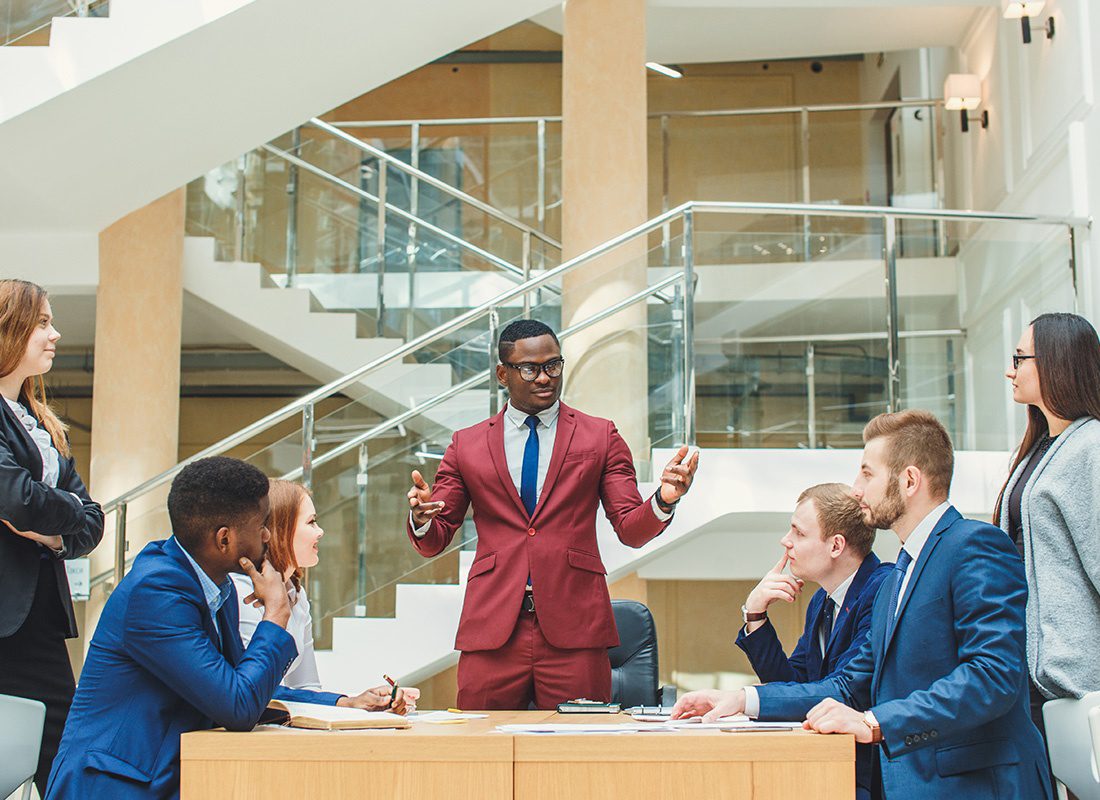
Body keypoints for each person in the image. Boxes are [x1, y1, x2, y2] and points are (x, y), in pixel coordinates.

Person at [672, 410, 1050, 800]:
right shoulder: (897, 577)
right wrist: (743, 699)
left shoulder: (974, 545)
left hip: (979, 787)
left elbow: (992, 676)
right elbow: (849, 686)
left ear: (909, 481)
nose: (855, 489)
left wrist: (875, 722)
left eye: (867, 473)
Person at [45, 457, 409, 800]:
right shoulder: (156, 592)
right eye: (262, 525)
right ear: (224, 539)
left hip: (165, 775)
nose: (269, 536)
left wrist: (344, 703)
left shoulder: (213, 585)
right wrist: (276, 614)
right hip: (114, 786)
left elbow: (243, 685)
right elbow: (237, 705)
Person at [406, 319, 699, 709]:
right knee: (481, 748)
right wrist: (423, 519)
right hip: (493, 627)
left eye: (553, 366)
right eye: (529, 369)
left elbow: (630, 527)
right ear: (502, 374)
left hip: (575, 629)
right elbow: (437, 536)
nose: (544, 378)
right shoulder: (467, 444)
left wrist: (663, 500)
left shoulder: (600, 435)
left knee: (578, 751)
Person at [0, 279, 104, 796]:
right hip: (6, 616)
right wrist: (56, 511)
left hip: (37, 615)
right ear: (8, 329)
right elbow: (16, 499)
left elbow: (93, 521)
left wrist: (50, 534)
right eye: (42, 322)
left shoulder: (42, 423)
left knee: (62, 750)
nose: (55, 334)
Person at [735, 483, 892, 800]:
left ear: (836, 545)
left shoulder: (882, 589)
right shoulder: (822, 601)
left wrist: (745, 698)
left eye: (798, 533)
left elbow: (846, 691)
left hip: (871, 777)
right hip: (828, 767)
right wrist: (755, 614)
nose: (785, 541)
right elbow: (791, 683)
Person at [996, 312, 1100, 738]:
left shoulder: (1091, 446)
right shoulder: (1034, 449)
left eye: (1020, 358)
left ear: (1056, 361)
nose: (1010, 370)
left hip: (1073, 678)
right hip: (1029, 671)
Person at [234, 479, 420, 708]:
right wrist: (348, 703)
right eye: (311, 522)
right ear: (279, 530)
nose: (320, 531)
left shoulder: (297, 596)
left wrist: (364, 704)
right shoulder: (242, 594)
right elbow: (255, 690)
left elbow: (307, 688)